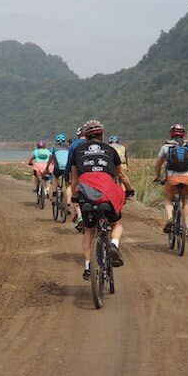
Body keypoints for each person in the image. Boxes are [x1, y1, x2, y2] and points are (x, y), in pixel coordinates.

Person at [69, 119, 135, 281]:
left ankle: (87, 266)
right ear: (102, 135)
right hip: (107, 196)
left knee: (89, 230)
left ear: (85, 135)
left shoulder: (77, 151)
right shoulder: (110, 150)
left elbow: (74, 178)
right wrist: (130, 189)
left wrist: (75, 198)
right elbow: (121, 175)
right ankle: (113, 244)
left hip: (86, 196)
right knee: (116, 223)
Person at [153, 124, 188, 233]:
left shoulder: (166, 147)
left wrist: (158, 177)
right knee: (185, 200)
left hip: (172, 178)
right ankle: (186, 226)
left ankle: (169, 220)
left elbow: (158, 165)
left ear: (171, 134)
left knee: (168, 198)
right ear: (183, 134)